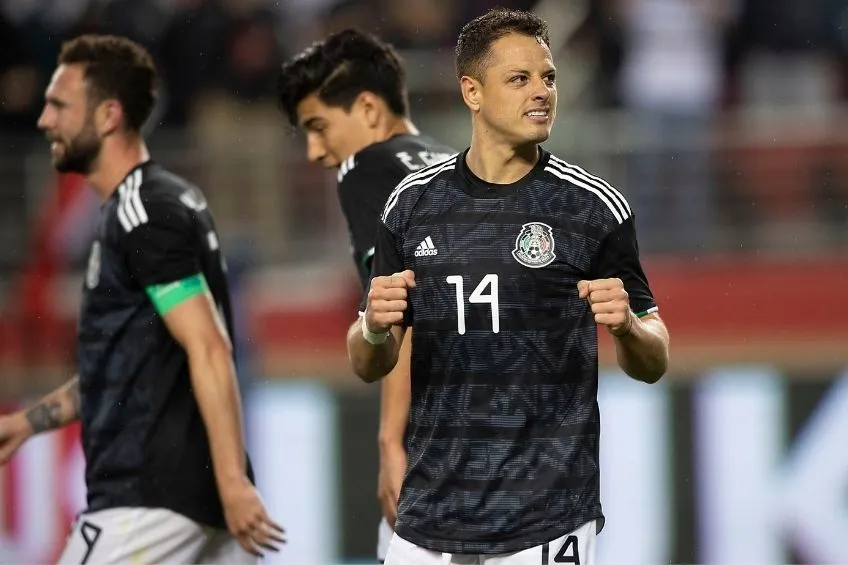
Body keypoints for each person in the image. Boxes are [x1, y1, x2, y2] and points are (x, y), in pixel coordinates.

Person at [347, 8, 670, 565]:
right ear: (472, 91)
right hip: (429, 517)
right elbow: (367, 362)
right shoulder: (411, 205)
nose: (542, 92)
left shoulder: (592, 208)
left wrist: (629, 328)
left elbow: (654, 360)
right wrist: (373, 327)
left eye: (548, 77)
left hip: (545, 520)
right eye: (519, 79)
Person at [0, 34, 284, 564]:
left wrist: (232, 482)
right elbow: (127, 367)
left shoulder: (144, 211)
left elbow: (209, 345)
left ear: (108, 115)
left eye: (59, 105)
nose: (44, 120)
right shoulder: (151, 205)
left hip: (148, 504)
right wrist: (27, 423)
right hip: (188, 505)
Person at [277, 28, 455, 563]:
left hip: (435, 449)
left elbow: (402, 307)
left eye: (318, 127)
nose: (315, 151)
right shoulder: (456, 164)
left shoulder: (367, 168)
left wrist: (390, 442)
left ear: (369, 109)